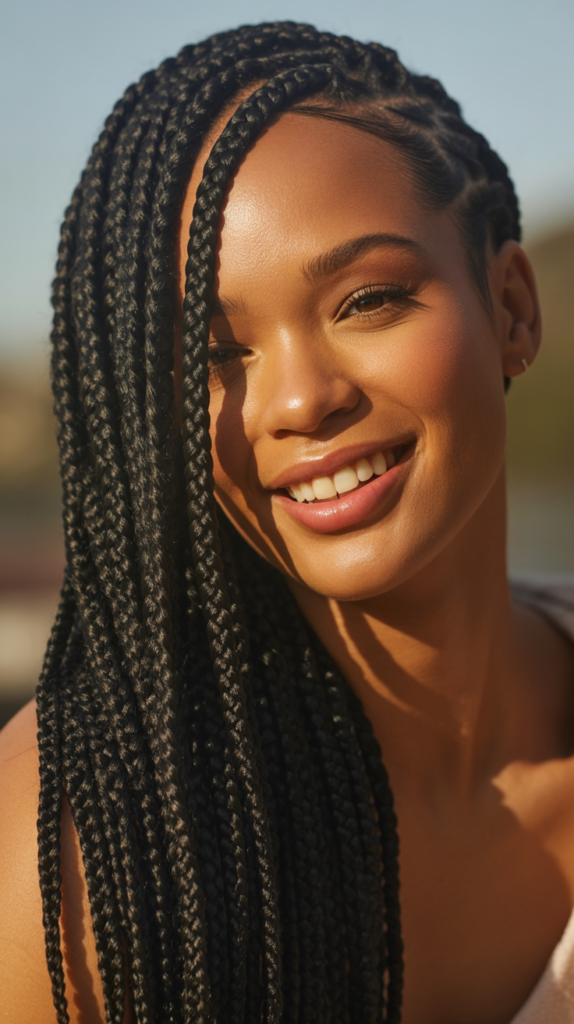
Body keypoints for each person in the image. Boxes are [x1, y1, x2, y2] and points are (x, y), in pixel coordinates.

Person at [1, 19, 573, 1024]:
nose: (300, 402)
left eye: (369, 299)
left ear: (513, 309)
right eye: (213, 355)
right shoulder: (71, 858)